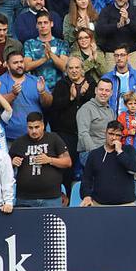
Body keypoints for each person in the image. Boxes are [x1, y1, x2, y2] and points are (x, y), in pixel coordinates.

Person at [9, 112, 72, 207]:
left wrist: (50, 160)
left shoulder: (53, 138)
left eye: (37, 127)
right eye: (30, 128)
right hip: (25, 198)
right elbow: (5, 165)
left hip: (51, 198)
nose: (34, 131)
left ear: (43, 125)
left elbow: (68, 162)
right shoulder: (19, 142)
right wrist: (12, 163)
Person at [49, 56, 94, 185]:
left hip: (88, 134)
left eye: (77, 67)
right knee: (67, 170)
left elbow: (95, 105)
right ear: (66, 70)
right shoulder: (61, 84)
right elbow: (55, 107)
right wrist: (71, 97)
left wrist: (84, 93)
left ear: (82, 69)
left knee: (89, 168)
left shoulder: (90, 83)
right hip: (66, 134)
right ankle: (67, 197)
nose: (74, 71)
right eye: (71, 68)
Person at [0, 51, 51, 142]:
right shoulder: (1, 81)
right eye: (15, 63)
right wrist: (13, 94)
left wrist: (42, 92)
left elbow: (48, 104)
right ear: (7, 66)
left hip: (38, 136)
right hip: (10, 138)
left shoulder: (35, 80)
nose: (19, 65)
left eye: (21, 62)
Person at [79, 119, 136, 206]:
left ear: (121, 136)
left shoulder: (128, 150)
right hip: (99, 204)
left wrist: (120, 151)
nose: (114, 137)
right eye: (111, 134)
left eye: (117, 135)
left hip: (126, 204)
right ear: (105, 133)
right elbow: (86, 179)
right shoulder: (94, 154)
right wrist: (86, 196)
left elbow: (134, 168)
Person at [22, 11, 69, 91]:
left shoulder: (61, 43)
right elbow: (26, 67)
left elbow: (65, 67)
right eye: (40, 23)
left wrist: (51, 54)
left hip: (58, 89)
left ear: (51, 24)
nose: (43, 26)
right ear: (36, 25)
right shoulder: (29, 43)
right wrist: (44, 59)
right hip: (36, 88)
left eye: (45, 22)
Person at [76, 77, 115, 157]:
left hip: (108, 152)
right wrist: (96, 154)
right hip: (90, 153)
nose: (103, 93)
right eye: (101, 89)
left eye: (107, 90)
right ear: (95, 90)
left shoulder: (111, 111)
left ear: (111, 93)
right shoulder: (86, 109)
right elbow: (83, 134)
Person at [0, 15, 21, 88]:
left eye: (5, 29)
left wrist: (12, 64)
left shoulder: (16, 45)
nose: (2, 33)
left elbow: (24, 67)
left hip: (11, 87)